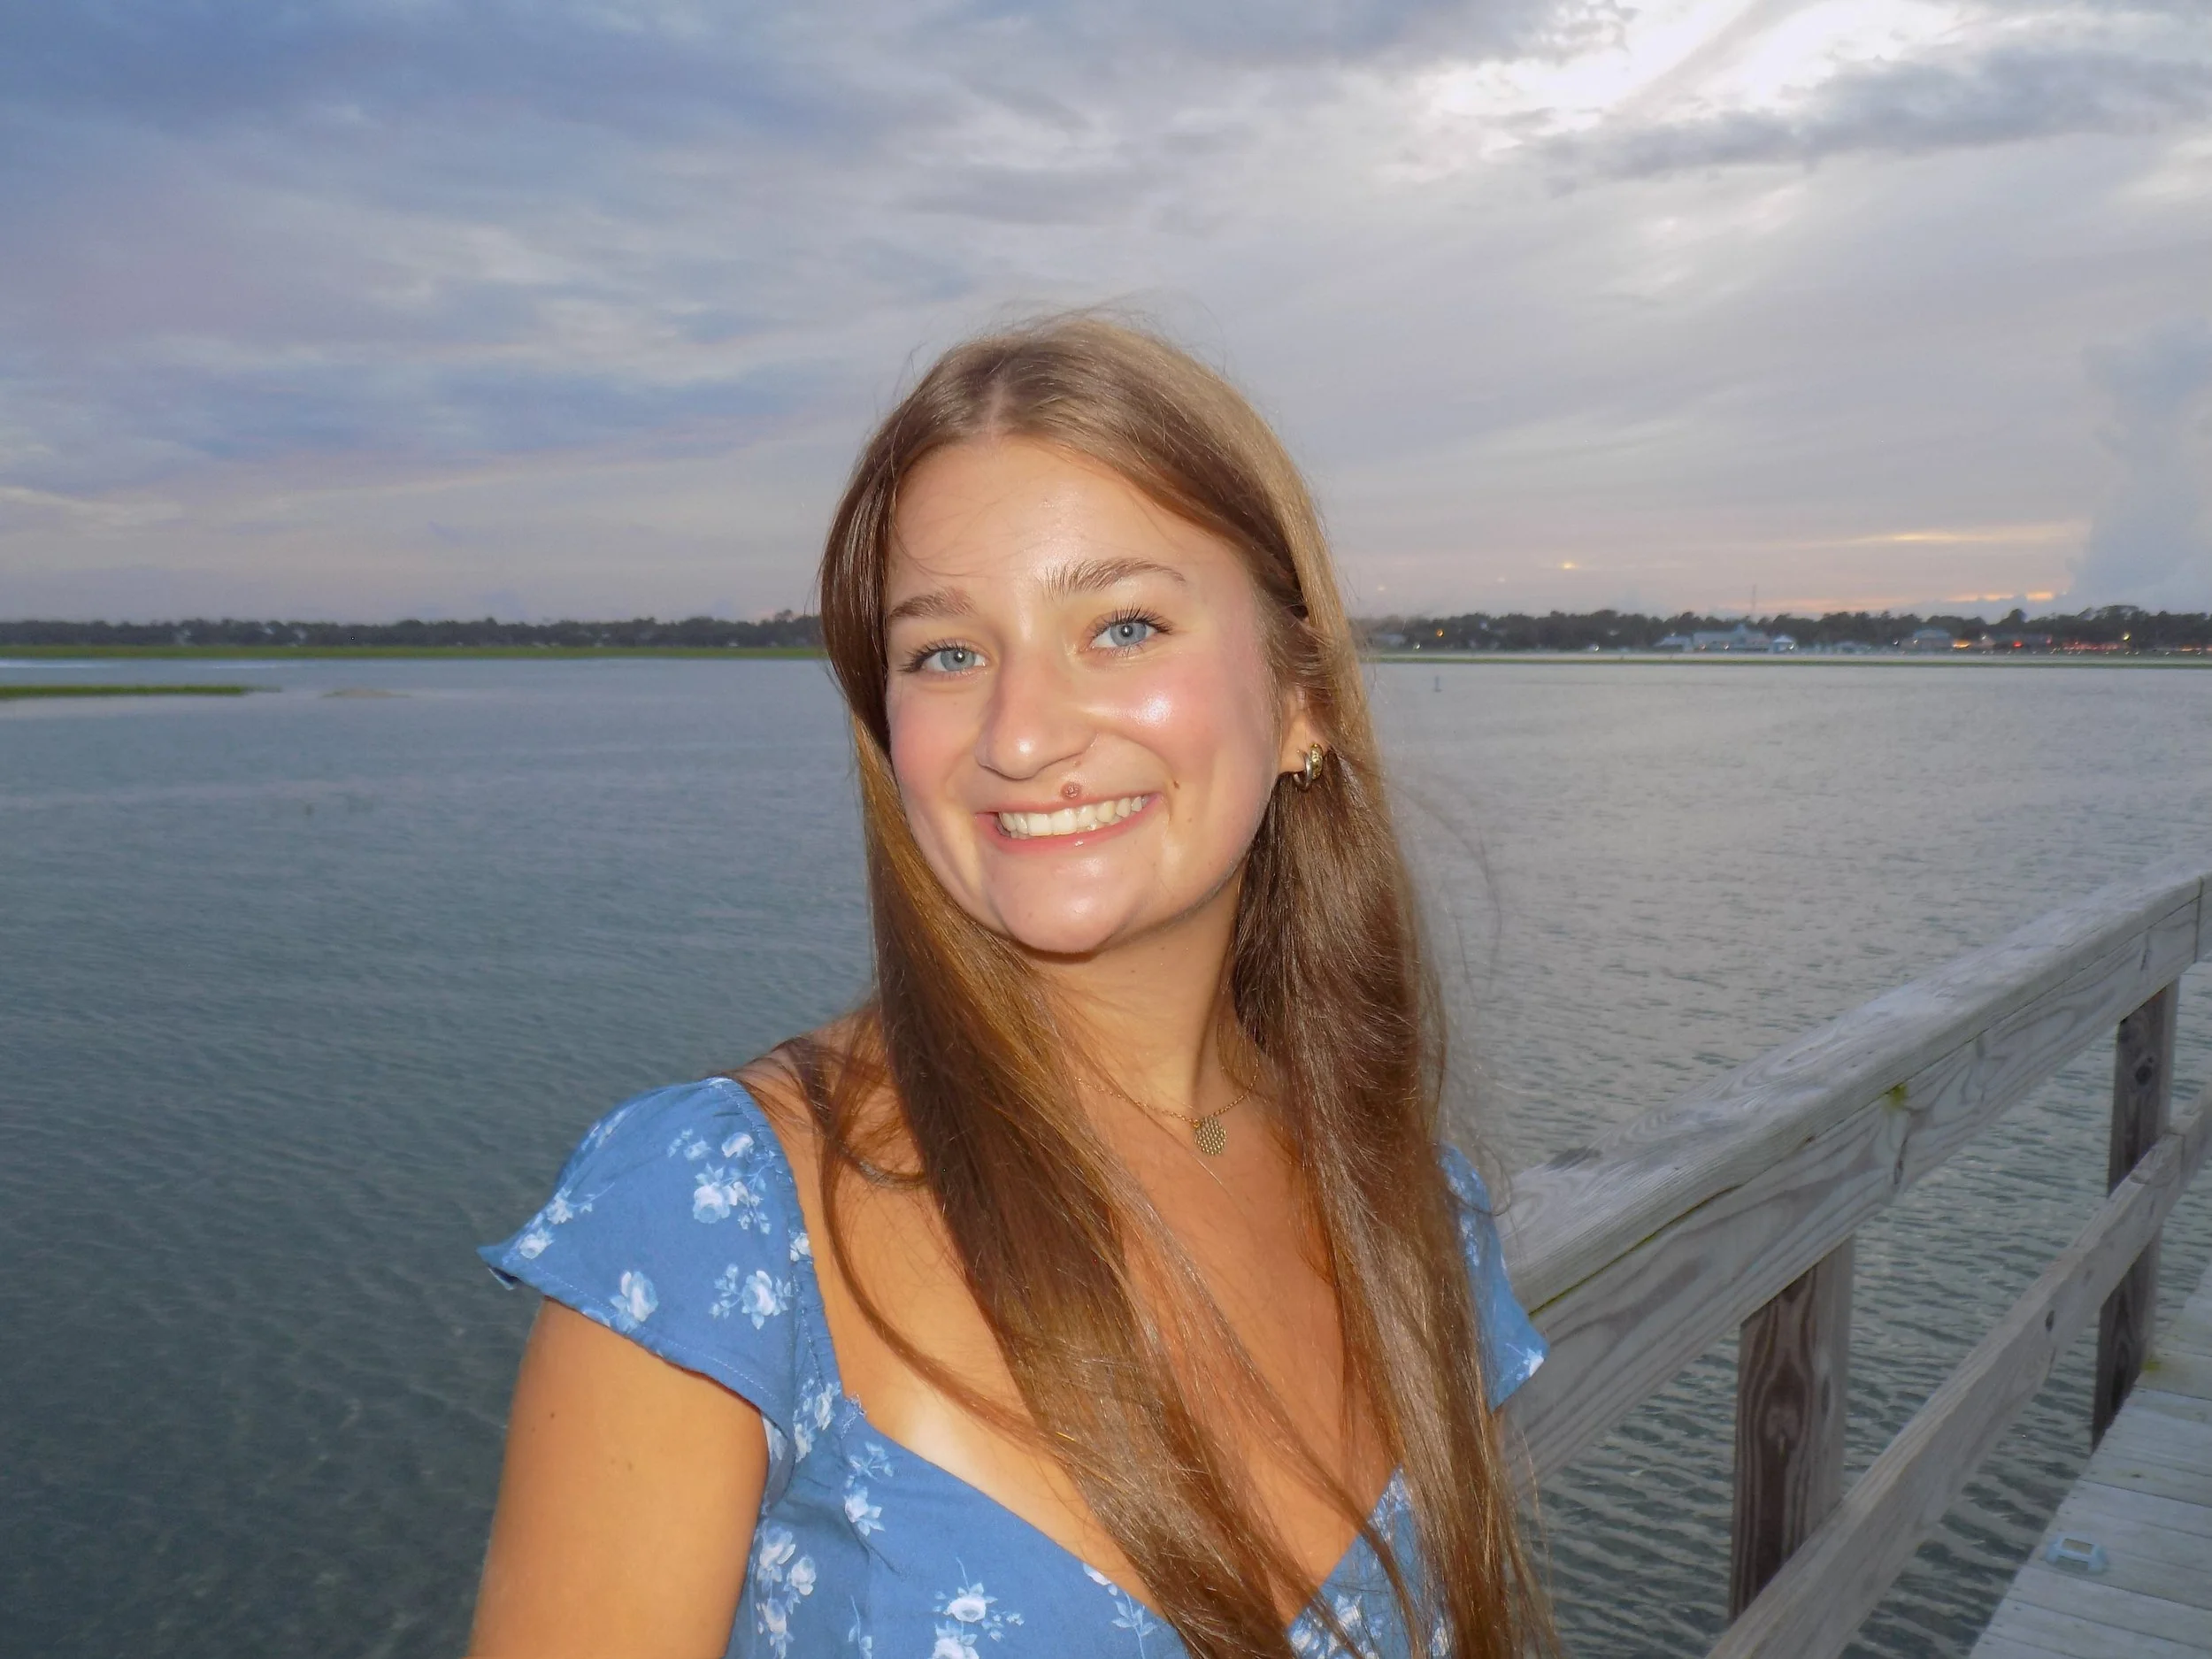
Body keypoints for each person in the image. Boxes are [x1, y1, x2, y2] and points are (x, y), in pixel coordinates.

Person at [468, 316, 1551, 1659]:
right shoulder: (721, 1218)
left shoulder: (1410, 1207)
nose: (1022, 734)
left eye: (1123, 625)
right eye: (946, 652)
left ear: (1300, 698)